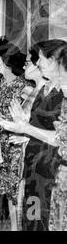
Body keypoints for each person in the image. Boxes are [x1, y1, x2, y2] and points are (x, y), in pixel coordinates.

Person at [0, 39, 66, 231]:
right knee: (32, 217)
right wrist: (25, 133)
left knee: (46, 221)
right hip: (33, 166)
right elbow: (38, 125)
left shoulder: (63, 94)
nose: (37, 63)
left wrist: (26, 129)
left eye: (41, 59)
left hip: (51, 169)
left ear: (54, 60)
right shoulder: (45, 88)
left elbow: (61, 136)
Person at [0, 41, 28, 231]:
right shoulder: (1, 84)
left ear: (6, 60)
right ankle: (14, 228)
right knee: (9, 193)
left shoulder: (22, 86)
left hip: (16, 144)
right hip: (2, 143)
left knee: (18, 191)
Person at [49, 44, 67, 231]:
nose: (60, 79)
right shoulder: (65, 102)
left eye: (62, 73)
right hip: (61, 175)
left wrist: (26, 128)